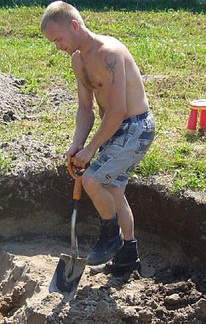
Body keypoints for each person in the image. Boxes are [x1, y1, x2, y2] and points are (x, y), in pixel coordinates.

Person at [41, 1, 156, 275]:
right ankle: (128, 254)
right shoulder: (78, 60)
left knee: (93, 180)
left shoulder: (110, 55)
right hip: (115, 127)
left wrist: (92, 149)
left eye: (58, 39)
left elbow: (117, 111)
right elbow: (86, 108)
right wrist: (77, 144)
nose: (57, 46)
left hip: (136, 127)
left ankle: (110, 236)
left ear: (74, 26)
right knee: (113, 191)